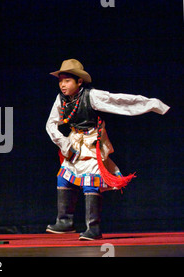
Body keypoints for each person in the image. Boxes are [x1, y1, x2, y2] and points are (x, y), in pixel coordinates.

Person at [45, 58, 170, 240]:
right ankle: (65, 221)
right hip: (74, 143)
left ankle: (93, 228)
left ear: (79, 81)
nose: (62, 85)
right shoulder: (61, 100)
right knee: (63, 177)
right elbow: (50, 124)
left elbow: (120, 101)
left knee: (90, 181)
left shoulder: (91, 96)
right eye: (60, 80)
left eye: (67, 80)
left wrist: (152, 104)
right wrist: (64, 143)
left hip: (91, 143)